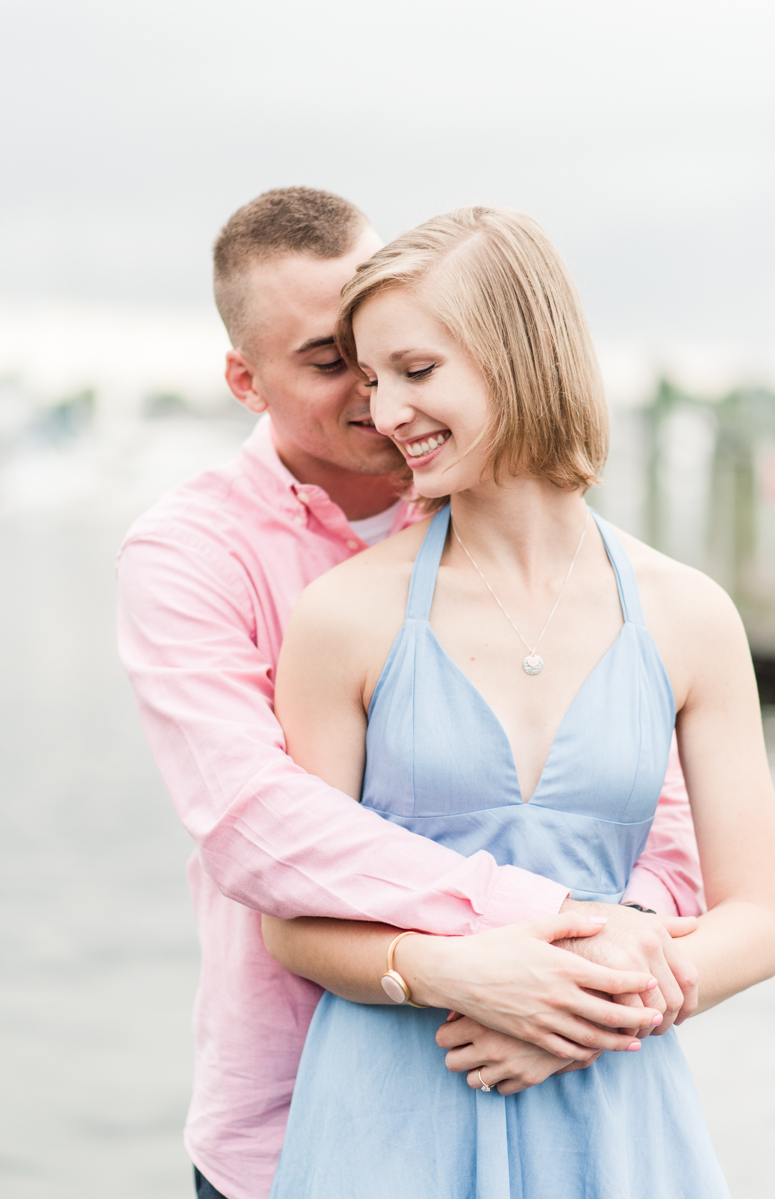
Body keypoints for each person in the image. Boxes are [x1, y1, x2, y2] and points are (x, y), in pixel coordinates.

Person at [117, 189, 704, 1199]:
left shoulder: (532, 539)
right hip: (291, 1108)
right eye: (328, 359)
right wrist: (512, 934)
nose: (376, 395)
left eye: (392, 352)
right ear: (242, 379)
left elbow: (658, 833)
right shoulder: (189, 553)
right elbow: (258, 825)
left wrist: (593, 981)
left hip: (565, 1082)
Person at [262, 207, 775, 1198]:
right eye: (370, 382)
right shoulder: (341, 617)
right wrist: (459, 974)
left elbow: (758, 911)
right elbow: (291, 921)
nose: (384, 412)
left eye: (415, 370)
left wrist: (588, 1012)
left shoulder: (687, 613)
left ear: (519, 351)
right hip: (394, 1109)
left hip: (613, 1105)